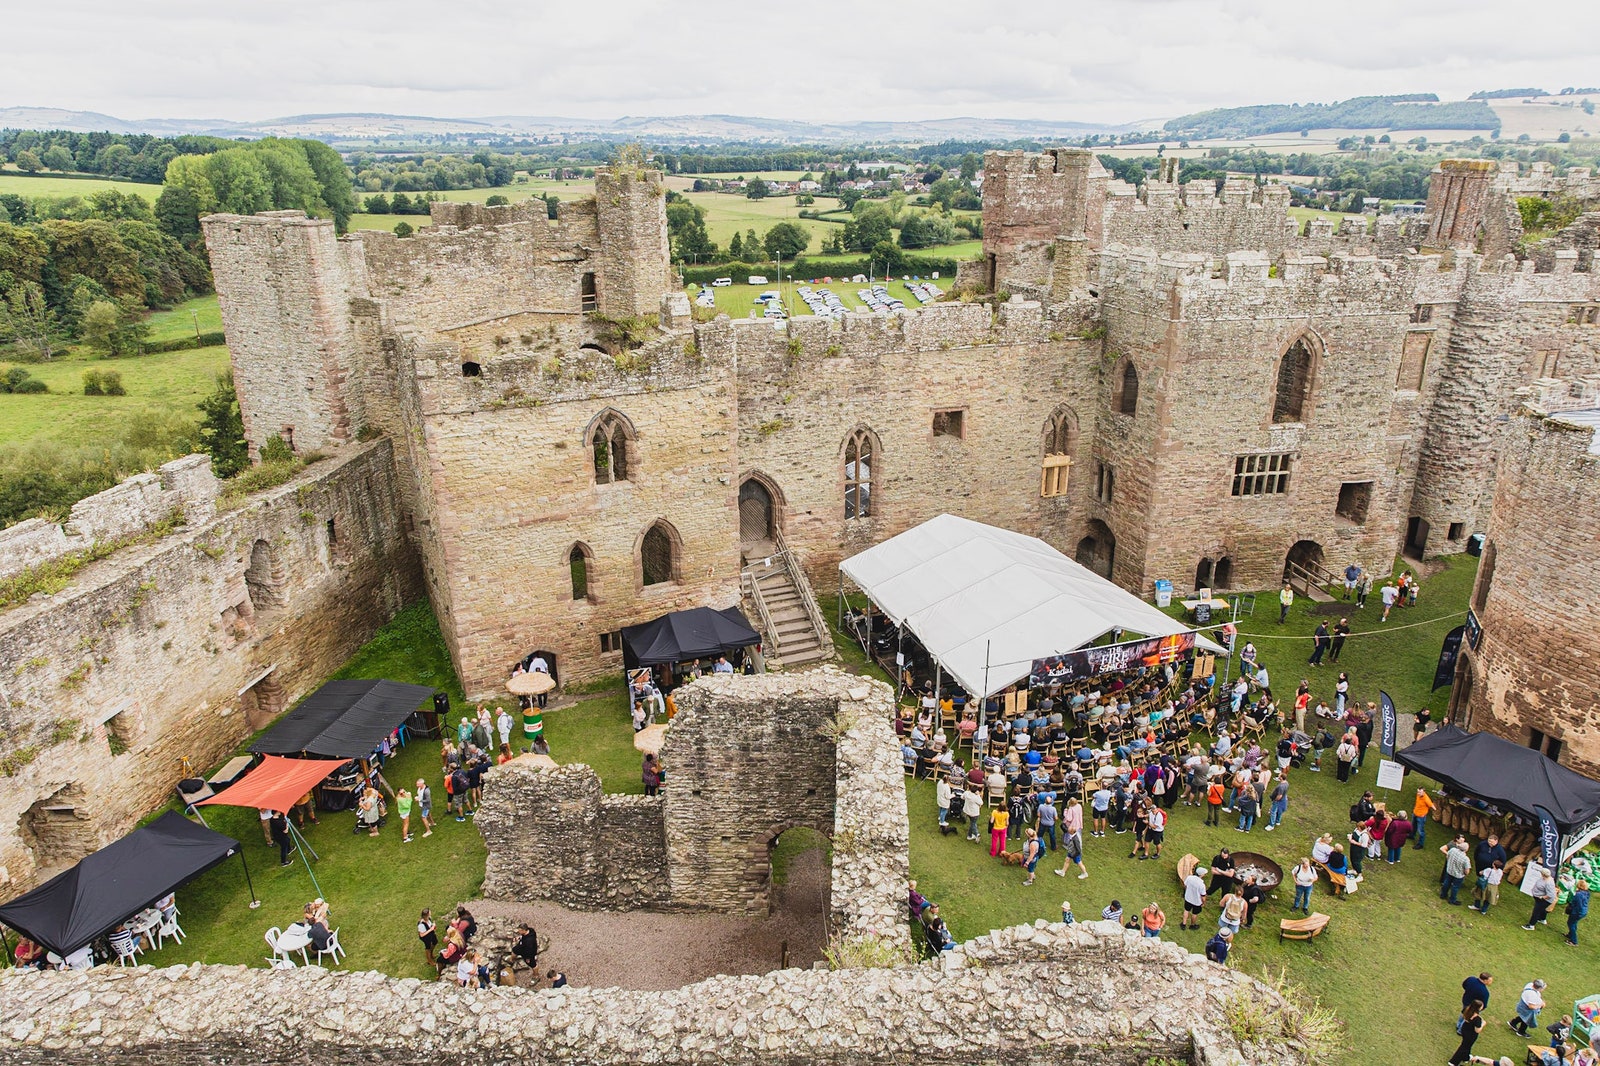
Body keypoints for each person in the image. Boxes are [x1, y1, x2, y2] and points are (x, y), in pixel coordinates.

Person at [1451, 999, 1486, 1066]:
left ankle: (1466, 1057)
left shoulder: (1467, 1010)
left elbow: (1464, 1017)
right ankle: (1453, 1062)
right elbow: (1477, 1030)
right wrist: (1483, 1024)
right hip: (1471, 1034)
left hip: (1465, 1029)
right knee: (1464, 1047)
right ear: (1478, 1008)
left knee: (1467, 1045)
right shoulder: (1477, 1019)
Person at [1181, 865, 1208, 929]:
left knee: (1186, 910)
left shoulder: (1189, 878)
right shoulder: (1201, 885)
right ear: (1201, 875)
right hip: (1197, 902)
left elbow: (1185, 885)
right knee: (1194, 913)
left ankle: (1183, 924)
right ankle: (1192, 925)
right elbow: (1203, 896)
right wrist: (1203, 903)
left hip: (1188, 898)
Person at [1565, 881, 1590, 946]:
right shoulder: (1587, 892)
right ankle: (1570, 935)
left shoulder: (1579, 894)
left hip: (1577, 912)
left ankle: (1574, 941)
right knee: (1574, 923)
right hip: (1583, 911)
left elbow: (1578, 905)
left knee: (1571, 924)